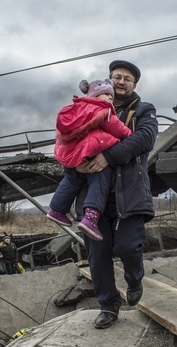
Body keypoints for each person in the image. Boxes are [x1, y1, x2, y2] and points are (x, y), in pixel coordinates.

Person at [76, 60, 158, 329]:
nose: (121, 82)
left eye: (127, 79)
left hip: (130, 195)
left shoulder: (144, 110)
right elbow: (70, 138)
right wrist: (75, 160)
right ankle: (108, 306)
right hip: (93, 200)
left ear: (134, 85)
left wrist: (107, 156)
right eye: (116, 77)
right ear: (109, 81)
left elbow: (144, 140)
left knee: (127, 247)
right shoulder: (89, 107)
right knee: (97, 256)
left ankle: (134, 279)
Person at [46, 79, 132, 241]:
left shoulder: (77, 109)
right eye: (106, 94)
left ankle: (56, 209)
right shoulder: (102, 111)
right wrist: (129, 135)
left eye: (111, 95)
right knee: (100, 179)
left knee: (72, 179)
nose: (109, 98)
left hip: (74, 154)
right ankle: (91, 218)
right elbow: (119, 130)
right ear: (95, 96)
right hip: (91, 151)